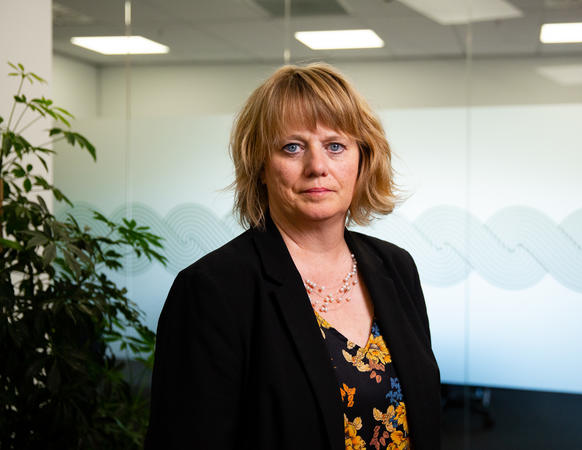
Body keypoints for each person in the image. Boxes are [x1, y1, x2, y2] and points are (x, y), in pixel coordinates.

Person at [145, 63, 441, 450]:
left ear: (362, 160)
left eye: (335, 146)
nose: (317, 167)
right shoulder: (213, 290)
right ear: (261, 167)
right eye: (292, 147)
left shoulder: (396, 268)